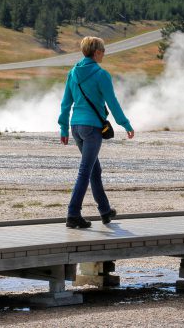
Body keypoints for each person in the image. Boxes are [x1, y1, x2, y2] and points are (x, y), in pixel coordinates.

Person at [58, 36, 135, 228]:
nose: (104, 54)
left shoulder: (73, 73)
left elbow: (66, 103)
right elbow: (112, 102)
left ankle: (105, 210)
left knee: (94, 169)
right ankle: (73, 214)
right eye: (103, 51)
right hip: (92, 129)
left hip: (76, 127)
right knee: (85, 171)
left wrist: (63, 127)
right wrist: (125, 124)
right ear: (97, 52)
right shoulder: (101, 74)